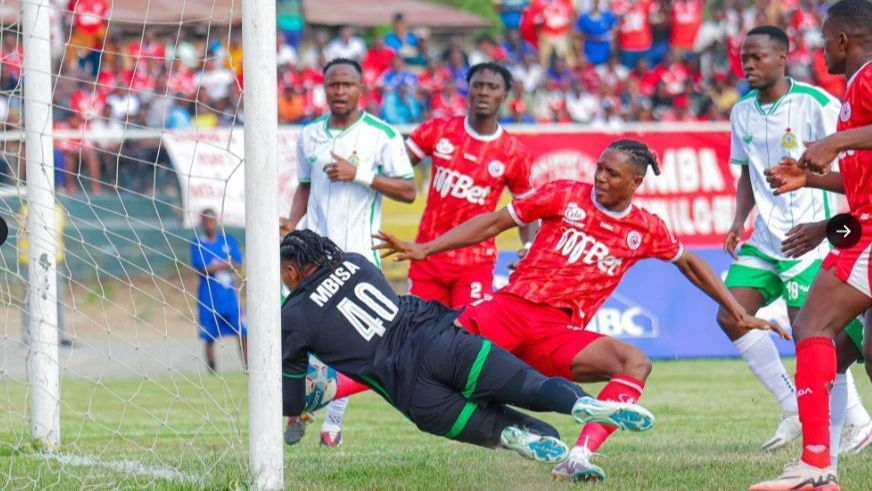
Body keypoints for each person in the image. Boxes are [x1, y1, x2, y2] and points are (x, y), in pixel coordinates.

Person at [374, 139, 787, 483]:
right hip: (512, 310)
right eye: (599, 168)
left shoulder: (646, 228)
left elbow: (691, 263)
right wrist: (426, 248)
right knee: (421, 357)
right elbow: (494, 223)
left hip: (558, 332)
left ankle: (578, 457)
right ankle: (338, 388)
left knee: (634, 362)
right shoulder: (563, 194)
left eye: (612, 173)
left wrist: (736, 310)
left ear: (636, 182)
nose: (600, 178)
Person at [280, 230, 656, 467]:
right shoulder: (355, 262)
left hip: (411, 392)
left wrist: (307, 394)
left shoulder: (292, 317)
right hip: (441, 341)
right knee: (530, 385)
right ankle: (578, 404)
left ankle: (513, 436)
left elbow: (292, 403)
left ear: (292, 272)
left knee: (502, 428)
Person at [721, 25, 872, 458]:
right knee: (732, 314)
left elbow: (853, 170)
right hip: (768, 235)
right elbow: (747, 172)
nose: (749, 65)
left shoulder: (820, 102)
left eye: (757, 57)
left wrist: (833, 227)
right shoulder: (741, 112)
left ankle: (847, 430)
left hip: (817, 234)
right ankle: (800, 419)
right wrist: (738, 219)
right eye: (744, 58)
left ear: (783, 57)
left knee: (817, 334)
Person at [282, 57, 416, 448]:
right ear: (324, 89)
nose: (340, 91)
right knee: (294, 335)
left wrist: (358, 173)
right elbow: (305, 186)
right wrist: (292, 222)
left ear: (362, 89)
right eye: (333, 85)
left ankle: (332, 424)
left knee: (361, 347)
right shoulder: (309, 135)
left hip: (358, 258)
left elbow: (408, 191)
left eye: (347, 84)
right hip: (311, 260)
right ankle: (297, 408)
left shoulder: (382, 135)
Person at [405, 62, 537, 309]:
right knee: (417, 334)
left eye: (492, 87)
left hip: (475, 262)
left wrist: (529, 247)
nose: (484, 92)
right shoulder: (438, 130)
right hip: (427, 255)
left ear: (504, 95)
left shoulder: (513, 152)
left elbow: (527, 211)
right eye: (478, 85)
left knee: (469, 336)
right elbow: (395, 167)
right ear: (468, 90)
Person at [190, 209, 247, 373]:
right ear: (202, 223)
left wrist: (223, 265)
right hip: (208, 297)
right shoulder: (198, 243)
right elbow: (202, 268)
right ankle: (212, 370)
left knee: (243, 331)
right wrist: (224, 263)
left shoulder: (228, 240)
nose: (209, 224)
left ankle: (248, 366)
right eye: (206, 221)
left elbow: (238, 263)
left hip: (229, 297)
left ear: (216, 221)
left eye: (212, 221)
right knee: (209, 336)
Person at [18, 201, 71, 347]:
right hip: (28, 260)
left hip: (54, 260)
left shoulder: (57, 210)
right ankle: (27, 333)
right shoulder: (25, 209)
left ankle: (61, 334)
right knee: (29, 298)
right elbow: (25, 230)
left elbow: (58, 231)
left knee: (57, 297)